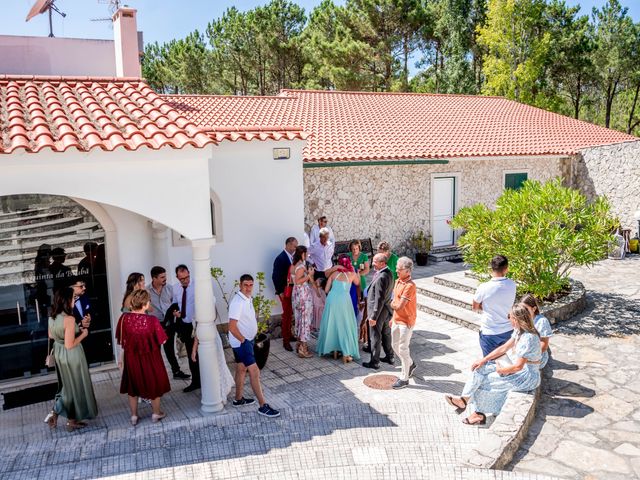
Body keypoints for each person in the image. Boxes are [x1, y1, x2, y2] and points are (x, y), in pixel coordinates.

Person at [445, 304, 542, 425]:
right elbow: (504, 347)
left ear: (516, 319)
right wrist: (483, 360)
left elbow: (519, 367)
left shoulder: (529, 338)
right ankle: (464, 400)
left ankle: (478, 413)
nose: (508, 319)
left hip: (527, 376)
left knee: (487, 381)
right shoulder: (519, 331)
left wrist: (502, 370)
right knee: (479, 370)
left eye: (510, 317)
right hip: (519, 369)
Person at [228, 274, 280, 418]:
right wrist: (244, 341)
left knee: (241, 368)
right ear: (240, 285)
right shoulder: (237, 302)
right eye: (246, 285)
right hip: (242, 342)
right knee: (255, 372)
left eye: (251, 285)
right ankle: (263, 405)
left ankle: (238, 399)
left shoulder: (247, 298)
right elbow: (232, 327)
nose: (248, 288)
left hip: (245, 340)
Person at [46, 287, 98, 431]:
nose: (74, 300)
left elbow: (51, 335)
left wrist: (77, 328)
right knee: (76, 386)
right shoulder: (69, 319)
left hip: (59, 353)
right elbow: (70, 344)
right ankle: (57, 413)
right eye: (73, 298)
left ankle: (70, 419)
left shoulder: (52, 317)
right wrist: (83, 334)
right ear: (66, 300)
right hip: (72, 356)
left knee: (67, 386)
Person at [116, 290, 171, 426]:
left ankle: (134, 416)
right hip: (151, 358)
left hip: (132, 358)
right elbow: (162, 341)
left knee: (132, 386)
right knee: (154, 382)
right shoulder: (152, 320)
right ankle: (156, 413)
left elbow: (122, 340)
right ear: (146, 304)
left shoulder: (123, 319)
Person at [316, 257, 361, 363]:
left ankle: (334, 350)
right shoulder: (352, 274)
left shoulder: (334, 274)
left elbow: (326, 290)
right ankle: (346, 353)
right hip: (344, 300)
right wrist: (357, 272)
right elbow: (358, 283)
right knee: (345, 324)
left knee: (332, 324)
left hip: (332, 299)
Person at [148, 266, 189, 379]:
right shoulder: (146, 291)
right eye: (162, 277)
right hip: (154, 324)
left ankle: (176, 372)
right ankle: (156, 374)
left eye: (165, 276)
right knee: (155, 350)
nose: (165, 279)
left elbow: (175, 304)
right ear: (154, 278)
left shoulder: (170, 288)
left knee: (169, 349)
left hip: (169, 323)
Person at [472, 255, 517, 356]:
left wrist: (484, 307)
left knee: (489, 363)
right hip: (508, 330)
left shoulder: (483, 287)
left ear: (491, 268)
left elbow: (474, 307)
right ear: (506, 269)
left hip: (489, 331)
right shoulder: (512, 284)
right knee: (507, 362)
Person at [390, 257, 418, 389]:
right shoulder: (398, 282)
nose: (396, 270)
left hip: (406, 322)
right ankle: (410, 364)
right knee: (394, 346)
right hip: (396, 320)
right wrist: (392, 317)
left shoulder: (410, 286)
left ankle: (404, 378)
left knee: (403, 348)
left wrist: (392, 305)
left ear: (407, 271)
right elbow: (396, 302)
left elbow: (400, 305)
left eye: (399, 269)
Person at [172, 265, 200, 392]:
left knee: (201, 354)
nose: (185, 280)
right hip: (186, 325)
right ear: (177, 277)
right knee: (191, 355)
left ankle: (205, 380)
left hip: (198, 324)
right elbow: (175, 304)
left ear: (189, 273)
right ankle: (195, 381)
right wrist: (176, 312)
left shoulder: (197, 285)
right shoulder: (176, 288)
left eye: (187, 277)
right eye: (182, 279)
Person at [363, 253, 395, 369]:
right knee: (386, 334)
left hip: (379, 311)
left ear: (382, 263)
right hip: (386, 310)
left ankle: (375, 362)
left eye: (375, 261)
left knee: (375, 336)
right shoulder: (389, 273)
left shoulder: (382, 277)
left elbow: (379, 299)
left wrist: (373, 317)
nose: (372, 263)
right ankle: (390, 356)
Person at [271, 237, 298, 352]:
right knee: (286, 315)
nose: (295, 248)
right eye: (294, 246)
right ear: (287, 245)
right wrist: (280, 291)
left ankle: (290, 334)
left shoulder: (293, 258)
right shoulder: (280, 258)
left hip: (292, 290)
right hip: (284, 291)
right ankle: (285, 341)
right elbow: (275, 277)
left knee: (290, 313)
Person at [290, 246, 315, 358]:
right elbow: (298, 281)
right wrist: (309, 275)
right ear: (302, 254)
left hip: (297, 294)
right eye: (306, 253)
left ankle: (299, 344)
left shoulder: (293, 265)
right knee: (304, 320)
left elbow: (292, 280)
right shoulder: (300, 266)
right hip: (302, 294)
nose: (308, 255)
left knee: (300, 319)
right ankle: (303, 348)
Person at [520, 294, 553, 369]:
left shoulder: (542, 321)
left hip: (537, 355)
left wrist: (529, 356)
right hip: (524, 352)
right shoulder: (522, 319)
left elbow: (544, 346)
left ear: (534, 308)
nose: (523, 312)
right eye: (522, 309)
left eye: (526, 309)